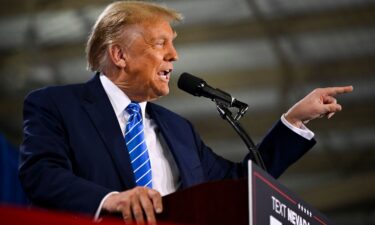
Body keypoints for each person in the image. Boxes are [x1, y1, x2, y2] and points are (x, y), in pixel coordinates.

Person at [18, 1, 353, 224]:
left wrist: (292, 122)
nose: (174, 55)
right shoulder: (56, 105)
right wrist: (112, 200)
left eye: (173, 43)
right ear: (119, 55)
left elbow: (237, 184)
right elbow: (41, 176)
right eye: (160, 43)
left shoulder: (179, 130)